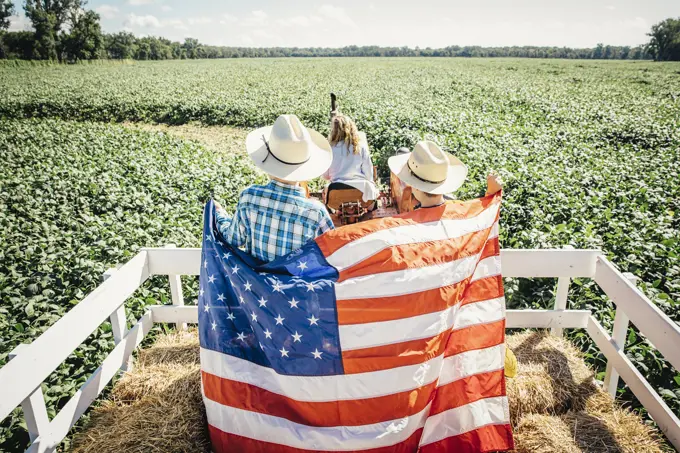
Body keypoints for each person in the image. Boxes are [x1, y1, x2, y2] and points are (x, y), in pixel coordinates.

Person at [214, 114, 335, 262]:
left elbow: (233, 239)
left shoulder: (250, 197)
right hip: (296, 285)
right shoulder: (316, 213)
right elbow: (332, 255)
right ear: (305, 168)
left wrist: (218, 215)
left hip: (257, 284)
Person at [388, 140, 502, 209]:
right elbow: (486, 215)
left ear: (415, 186)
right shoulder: (462, 210)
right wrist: (492, 192)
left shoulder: (407, 226)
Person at [322, 114, 379, 205]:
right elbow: (368, 173)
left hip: (336, 190)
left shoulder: (329, 149)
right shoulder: (360, 147)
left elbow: (325, 176)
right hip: (360, 190)